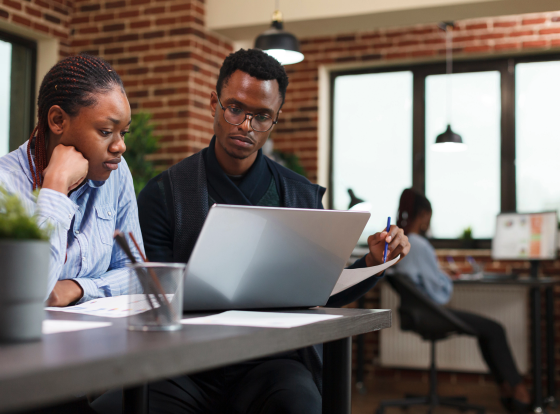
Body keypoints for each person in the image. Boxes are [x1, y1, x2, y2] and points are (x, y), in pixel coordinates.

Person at [121, 48, 410, 414]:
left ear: (275, 120)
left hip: (272, 364)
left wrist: (373, 259)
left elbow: (322, 294)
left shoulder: (299, 196)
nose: (245, 125)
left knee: (301, 404)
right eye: (235, 109)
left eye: (261, 116)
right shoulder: (165, 195)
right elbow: (155, 298)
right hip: (184, 364)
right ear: (214, 103)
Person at [0, 54, 144, 307]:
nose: (120, 146)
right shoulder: (6, 185)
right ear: (58, 120)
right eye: (106, 132)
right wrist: (56, 185)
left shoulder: (117, 175)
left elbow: (136, 273)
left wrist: (78, 288)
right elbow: (29, 291)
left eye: (124, 133)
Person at [395, 188, 530, 413]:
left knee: (487, 331)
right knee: (494, 329)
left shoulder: (403, 242)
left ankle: (509, 389)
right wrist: (446, 279)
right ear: (424, 215)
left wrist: (438, 275)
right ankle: (517, 392)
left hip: (415, 312)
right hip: (431, 313)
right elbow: (439, 292)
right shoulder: (419, 244)